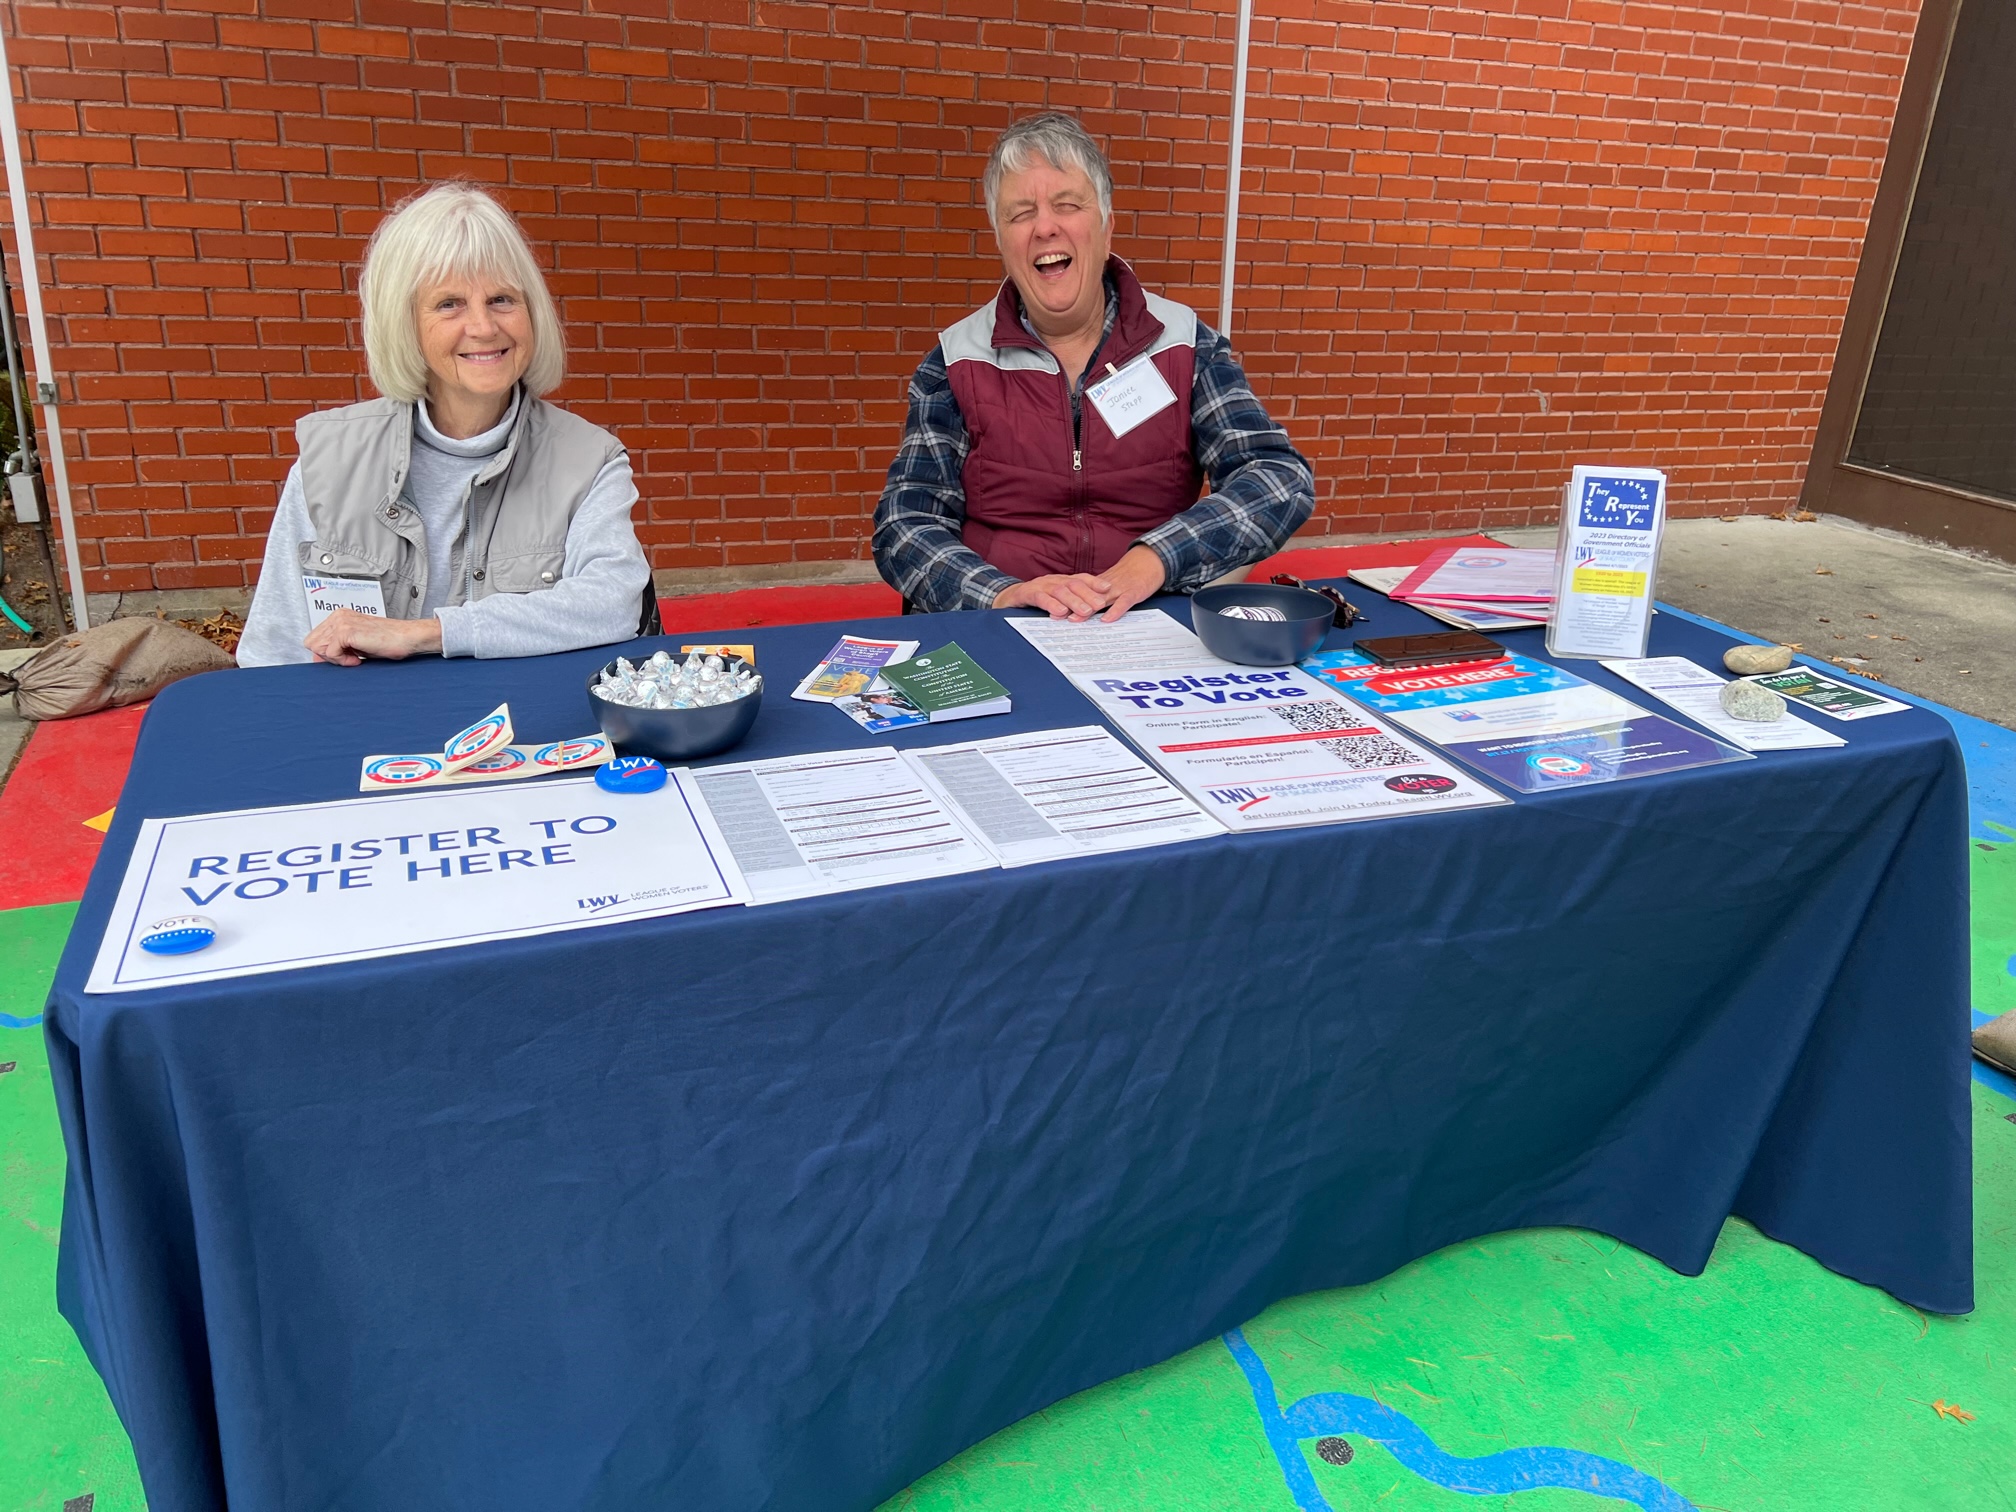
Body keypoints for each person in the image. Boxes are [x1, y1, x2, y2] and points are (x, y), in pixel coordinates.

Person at [873, 113, 1315, 622]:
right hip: (1004, 624)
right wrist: (999, 593)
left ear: (1106, 228)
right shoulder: (955, 361)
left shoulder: (1185, 345)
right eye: (1020, 214)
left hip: (1149, 619)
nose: (1044, 227)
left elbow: (1278, 477)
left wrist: (1157, 558)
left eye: (1067, 205)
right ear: (1001, 240)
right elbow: (905, 523)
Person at [237, 183, 654, 667]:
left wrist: (425, 634)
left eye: (502, 299)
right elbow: (273, 653)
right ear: (405, 324)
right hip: (366, 731)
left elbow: (613, 603)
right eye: (449, 303)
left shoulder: (589, 459)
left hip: (525, 731)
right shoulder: (330, 461)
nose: (483, 327)